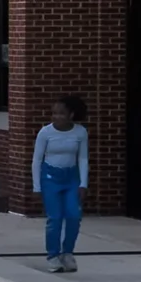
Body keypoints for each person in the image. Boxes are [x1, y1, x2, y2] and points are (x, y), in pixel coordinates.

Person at [31, 94, 91, 272]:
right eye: (54, 113)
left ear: (71, 115)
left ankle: (68, 253)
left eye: (61, 113)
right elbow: (36, 160)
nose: (57, 117)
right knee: (55, 218)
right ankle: (53, 256)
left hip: (71, 178)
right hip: (50, 178)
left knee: (74, 216)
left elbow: (83, 158)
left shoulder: (80, 132)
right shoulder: (46, 132)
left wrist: (83, 184)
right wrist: (37, 187)